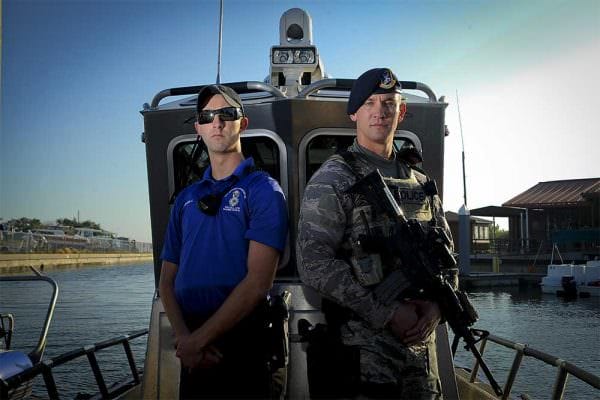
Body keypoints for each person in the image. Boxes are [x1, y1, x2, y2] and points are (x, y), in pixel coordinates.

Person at [297, 68, 456, 399]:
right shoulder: (334, 177)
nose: (380, 111)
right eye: (370, 103)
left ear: (402, 111)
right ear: (354, 113)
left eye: (388, 103)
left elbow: (447, 256)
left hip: (419, 354)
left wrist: (437, 309)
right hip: (362, 353)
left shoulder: (420, 182)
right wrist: (386, 313)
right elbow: (313, 263)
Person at [159, 84, 289, 399]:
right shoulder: (186, 200)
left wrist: (197, 342)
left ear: (242, 123)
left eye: (226, 113)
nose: (216, 122)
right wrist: (185, 341)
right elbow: (166, 282)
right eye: (207, 116)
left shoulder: (264, 192)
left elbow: (258, 283)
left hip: (243, 342)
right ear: (198, 128)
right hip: (192, 346)